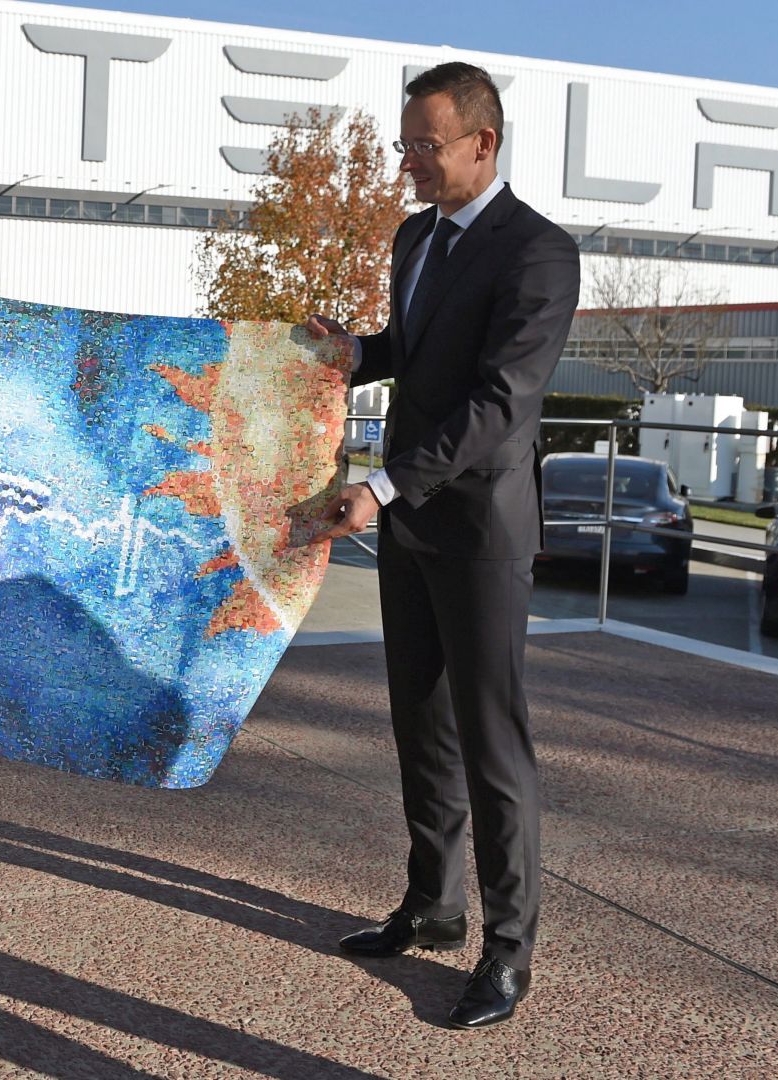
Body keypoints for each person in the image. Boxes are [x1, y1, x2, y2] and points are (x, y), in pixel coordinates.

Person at [291, 62, 580, 1029]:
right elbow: (415, 353)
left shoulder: (538, 252)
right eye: (404, 143)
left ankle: (508, 952)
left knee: (495, 743)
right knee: (421, 727)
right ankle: (433, 906)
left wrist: (381, 485)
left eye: (425, 144)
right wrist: (352, 351)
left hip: (480, 528)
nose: (407, 163)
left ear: (481, 144)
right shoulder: (418, 236)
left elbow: (501, 404)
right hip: (413, 519)